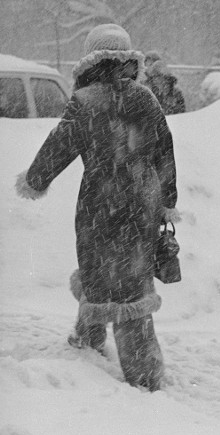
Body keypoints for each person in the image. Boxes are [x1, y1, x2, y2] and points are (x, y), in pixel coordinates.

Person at [15, 24, 179, 390]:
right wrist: (167, 200)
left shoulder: (86, 101)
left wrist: (36, 179)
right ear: (127, 59)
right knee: (132, 280)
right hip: (142, 201)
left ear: (90, 60)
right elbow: (164, 153)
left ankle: (143, 376)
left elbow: (59, 144)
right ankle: (94, 343)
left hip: (100, 202)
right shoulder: (146, 99)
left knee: (99, 268)